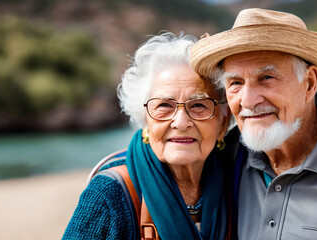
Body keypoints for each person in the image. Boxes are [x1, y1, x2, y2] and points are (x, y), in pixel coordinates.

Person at [190, 8, 317, 239]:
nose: (247, 101)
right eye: (235, 82)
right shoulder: (226, 158)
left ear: (309, 83)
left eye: (266, 78)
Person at [61, 32, 232, 239]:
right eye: (164, 106)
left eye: (198, 105)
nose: (181, 122)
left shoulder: (237, 186)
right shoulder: (108, 194)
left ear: (222, 124)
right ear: (146, 123)